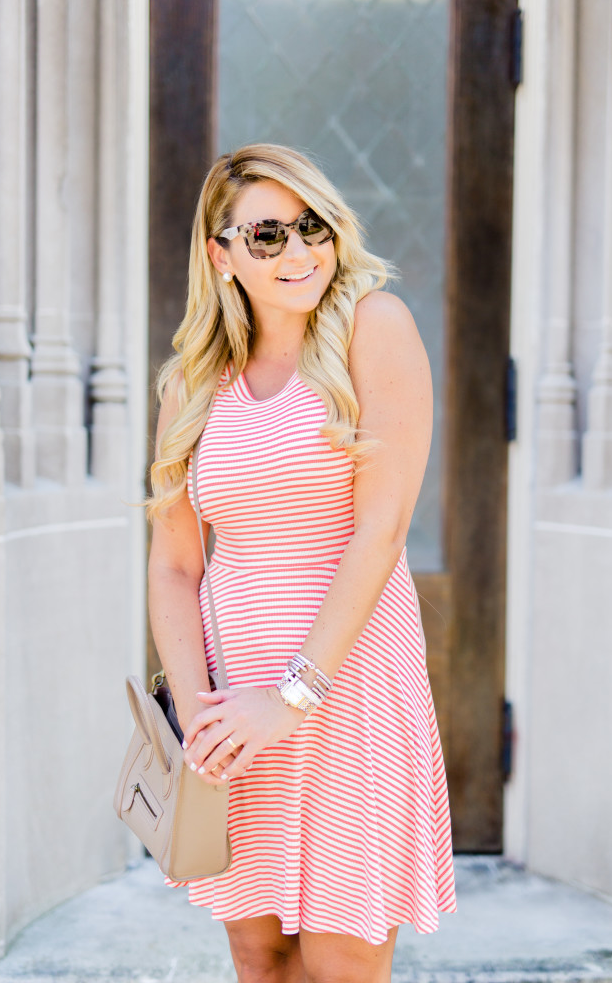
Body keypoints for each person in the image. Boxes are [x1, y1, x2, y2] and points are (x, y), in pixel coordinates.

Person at [146, 143, 456, 983]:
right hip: (228, 703)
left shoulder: (374, 329)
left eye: (312, 227)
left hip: (343, 685)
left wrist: (290, 697)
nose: (298, 252)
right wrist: (197, 722)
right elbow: (175, 562)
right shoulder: (192, 384)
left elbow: (381, 530)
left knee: (340, 955)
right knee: (259, 950)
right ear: (221, 254)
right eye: (268, 234)